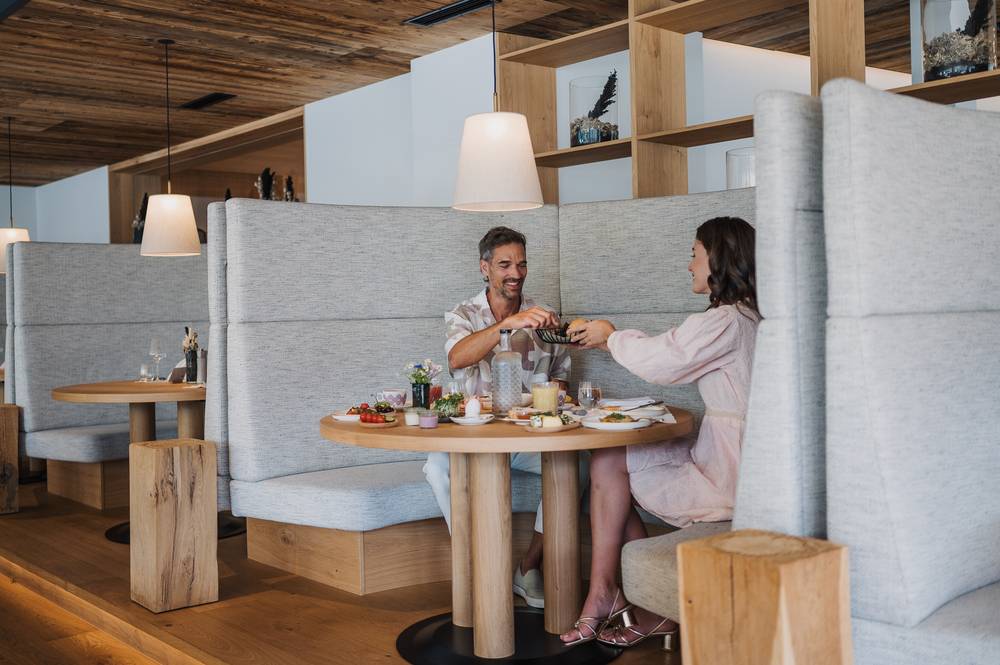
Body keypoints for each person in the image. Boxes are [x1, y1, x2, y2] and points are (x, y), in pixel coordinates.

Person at [560, 216, 759, 648]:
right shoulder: (747, 316)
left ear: (718, 258)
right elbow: (671, 350)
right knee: (609, 457)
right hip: (734, 458)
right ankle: (623, 596)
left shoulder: (726, 321)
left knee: (610, 461)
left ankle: (619, 598)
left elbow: (664, 361)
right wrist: (607, 339)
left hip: (733, 477)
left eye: (694, 255)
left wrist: (611, 335)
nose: (689, 265)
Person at [423, 226, 571, 609]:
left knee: (580, 464)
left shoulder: (544, 317)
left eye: (522, 264)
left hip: (528, 437)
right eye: (505, 265)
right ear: (484, 268)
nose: (515, 273)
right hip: (474, 437)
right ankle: (479, 566)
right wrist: (507, 325)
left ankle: (528, 565)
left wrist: (557, 390)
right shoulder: (463, 314)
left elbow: (561, 378)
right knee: (436, 467)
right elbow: (457, 357)